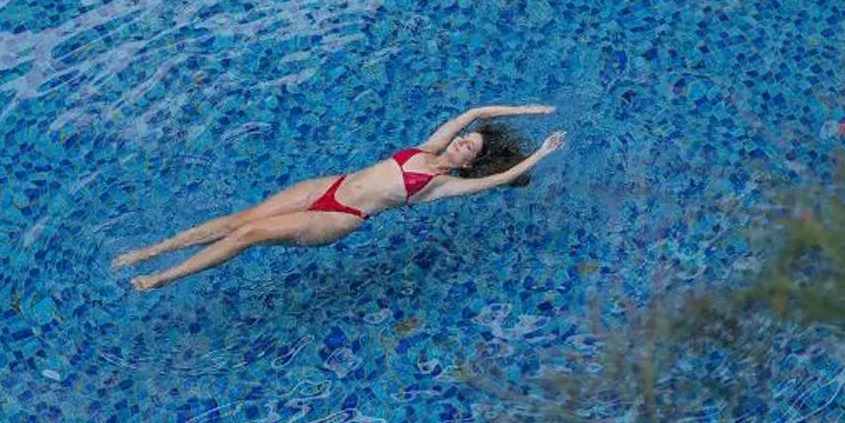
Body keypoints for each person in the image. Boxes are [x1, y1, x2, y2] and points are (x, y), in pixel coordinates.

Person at [114, 104, 564, 292]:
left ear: (467, 165)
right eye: (466, 139)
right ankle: (151, 251)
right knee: (240, 218)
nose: (464, 141)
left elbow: (499, 177)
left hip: (342, 215)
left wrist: (540, 154)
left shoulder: (442, 185)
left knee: (249, 235)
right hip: (328, 184)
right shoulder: (429, 147)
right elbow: (476, 112)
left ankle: (163, 278)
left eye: (470, 148)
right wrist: (527, 111)